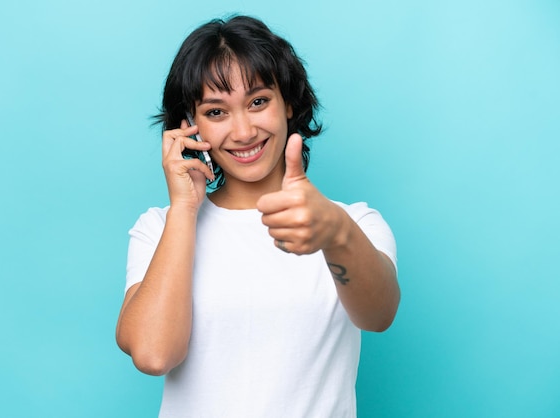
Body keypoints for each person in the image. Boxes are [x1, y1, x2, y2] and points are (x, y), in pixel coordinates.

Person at [116, 15, 400, 418]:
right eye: (216, 112)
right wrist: (184, 209)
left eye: (258, 102)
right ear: (189, 127)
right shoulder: (158, 229)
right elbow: (153, 354)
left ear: (288, 104)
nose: (244, 131)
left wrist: (336, 233)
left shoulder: (354, 223)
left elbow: (379, 315)